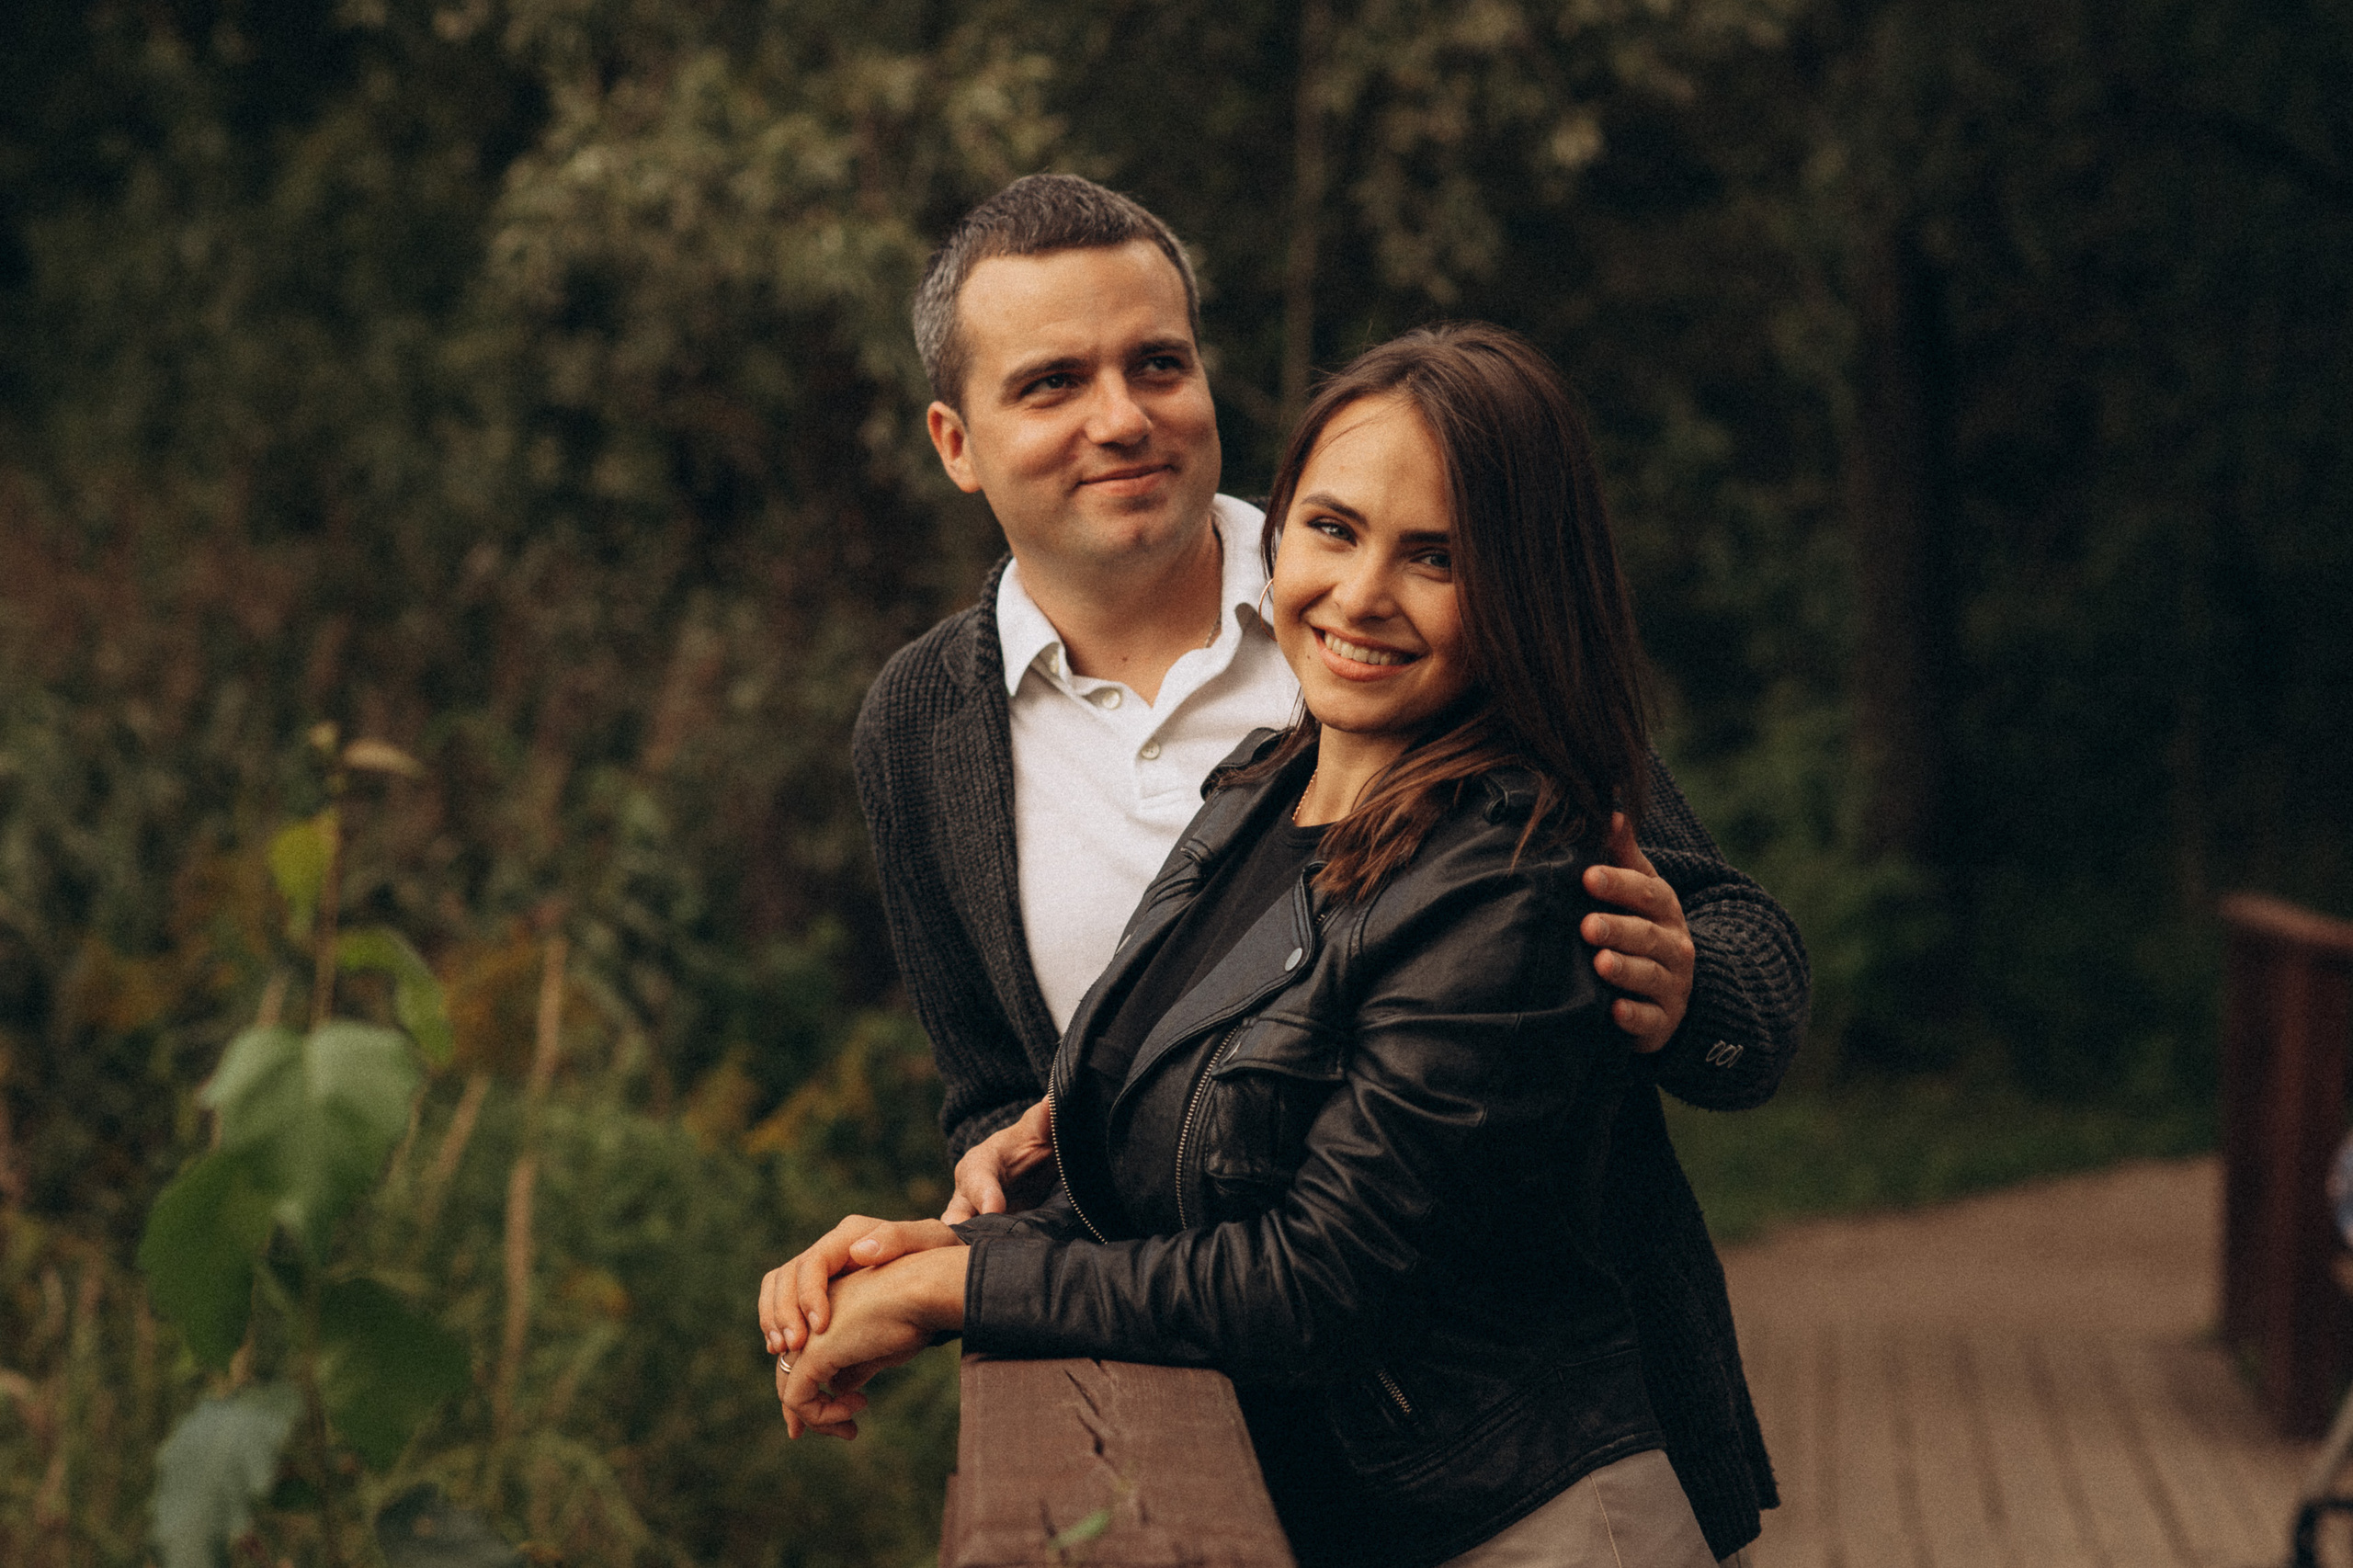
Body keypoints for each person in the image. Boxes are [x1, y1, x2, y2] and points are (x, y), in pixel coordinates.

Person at [812, 176, 1805, 1562]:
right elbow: (1000, 1093)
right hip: (1228, 1438)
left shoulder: (1385, 602)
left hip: (1513, 1447)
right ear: (956, 442)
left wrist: (1692, 985)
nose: (1122, 416)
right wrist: (970, 1211)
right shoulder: (925, 730)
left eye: (1157, 361)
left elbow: (1738, 948)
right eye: (1053, 383)